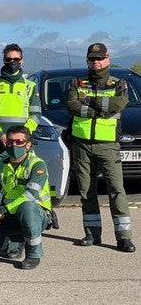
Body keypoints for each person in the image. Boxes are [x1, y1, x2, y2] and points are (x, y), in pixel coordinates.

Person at [66, 43, 135, 253]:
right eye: (91, 59)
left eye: (99, 58)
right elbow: (72, 106)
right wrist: (100, 108)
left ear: (107, 58)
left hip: (108, 146)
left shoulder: (118, 83)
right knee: (87, 190)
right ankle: (92, 234)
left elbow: (119, 104)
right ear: (87, 61)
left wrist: (89, 101)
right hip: (82, 144)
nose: (96, 62)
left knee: (116, 190)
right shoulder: (77, 82)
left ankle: (123, 238)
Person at [0, 126, 52, 270]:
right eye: (10, 142)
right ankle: (15, 244)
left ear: (28, 145)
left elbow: (30, 196)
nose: (14, 145)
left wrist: (2, 211)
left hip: (36, 214)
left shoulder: (37, 165)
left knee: (26, 207)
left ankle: (33, 254)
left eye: (19, 142)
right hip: (10, 214)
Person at [0, 44, 41, 156]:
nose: (12, 62)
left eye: (16, 59)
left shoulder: (30, 86)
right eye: (9, 59)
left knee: (23, 173)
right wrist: (0, 135)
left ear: (21, 61)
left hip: (21, 144)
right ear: (4, 60)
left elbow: (36, 115)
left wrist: (22, 136)